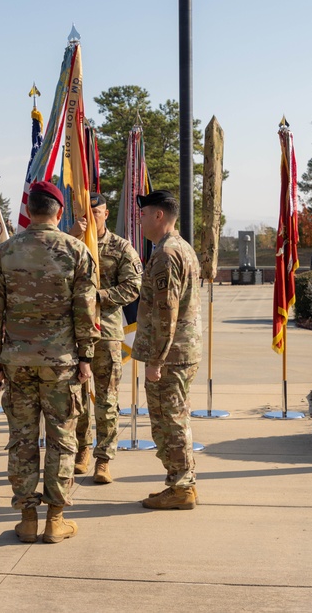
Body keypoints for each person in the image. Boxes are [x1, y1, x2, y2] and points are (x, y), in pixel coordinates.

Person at [0, 180, 99, 544]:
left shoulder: (4, 252)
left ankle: (28, 518)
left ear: (29, 211)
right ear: (60, 212)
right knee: (62, 439)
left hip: (16, 362)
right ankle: (56, 520)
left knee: (22, 439)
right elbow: (86, 310)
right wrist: (86, 356)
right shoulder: (76, 251)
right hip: (61, 362)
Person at [131, 190, 202, 510]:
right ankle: (179, 482)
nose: (140, 218)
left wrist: (155, 360)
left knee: (170, 421)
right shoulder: (177, 248)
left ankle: (182, 486)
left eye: (144, 213)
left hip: (170, 355)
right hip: (179, 350)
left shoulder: (167, 254)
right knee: (172, 419)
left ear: (159, 215)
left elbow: (166, 311)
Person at [70, 193, 142, 483]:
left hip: (106, 332)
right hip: (72, 332)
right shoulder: (70, 244)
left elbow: (134, 285)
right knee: (76, 398)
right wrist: (71, 236)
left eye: (96, 212)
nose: (90, 218)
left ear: (106, 214)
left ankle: (104, 458)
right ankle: (82, 449)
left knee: (107, 399)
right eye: (85, 213)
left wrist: (98, 297)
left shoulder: (120, 247)